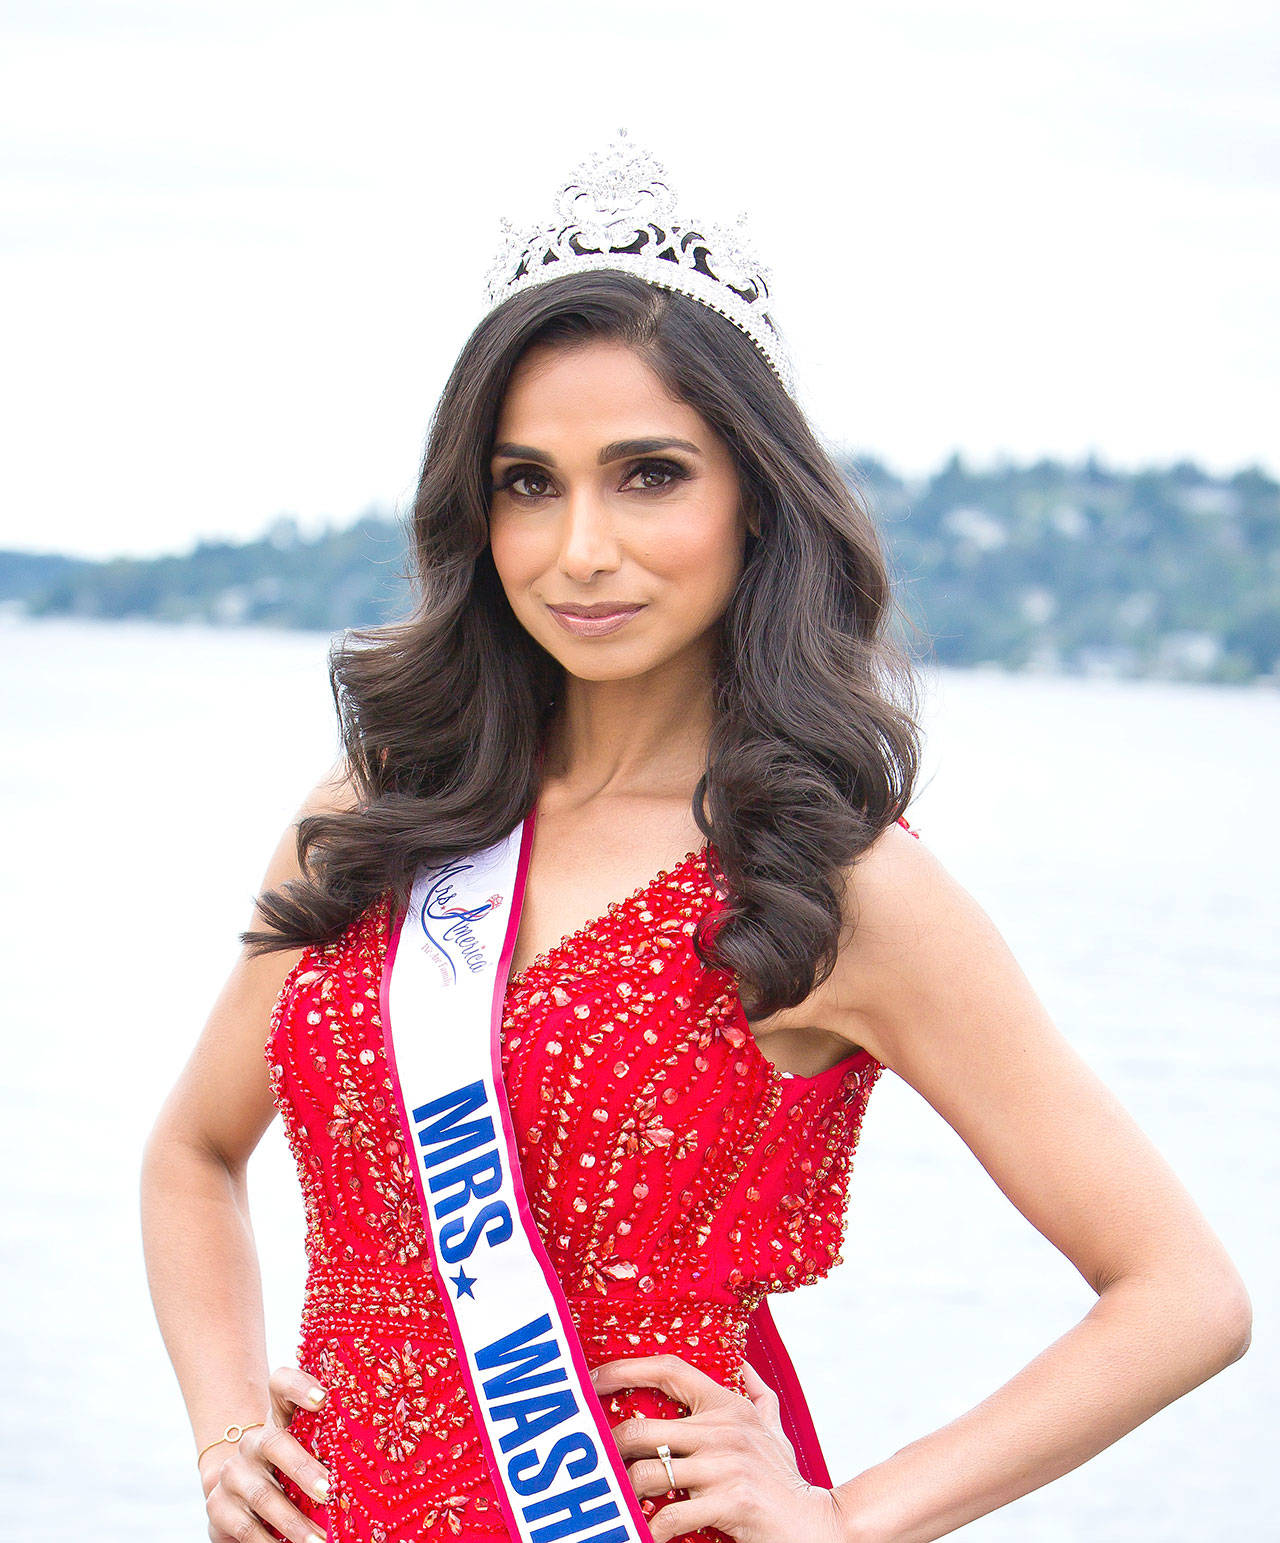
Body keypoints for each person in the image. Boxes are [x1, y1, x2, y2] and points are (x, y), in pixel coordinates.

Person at [141, 130, 1251, 1543]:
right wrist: (227, 1429)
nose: (580, 548)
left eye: (649, 475)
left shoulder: (835, 885)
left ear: (755, 497)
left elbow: (1184, 1296)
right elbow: (192, 1156)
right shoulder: (374, 817)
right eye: (527, 482)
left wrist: (848, 1516)